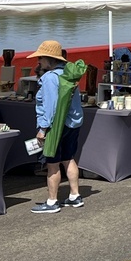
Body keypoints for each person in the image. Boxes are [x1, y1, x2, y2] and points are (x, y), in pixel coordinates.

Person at [31, 40, 86, 213]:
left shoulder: (49, 78)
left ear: (49, 59)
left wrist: (42, 130)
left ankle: (52, 201)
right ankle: (74, 196)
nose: (39, 61)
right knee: (69, 158)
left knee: (52, 163)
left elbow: (50, 107)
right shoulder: (68, 75)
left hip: (56, 127)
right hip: (72, 123)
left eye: (41, 58)